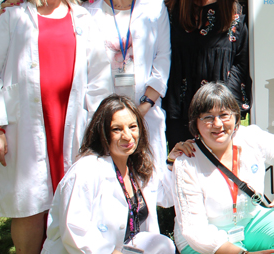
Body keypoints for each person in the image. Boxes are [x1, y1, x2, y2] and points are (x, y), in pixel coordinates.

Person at [0, 0, 112, 254]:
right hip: (24, 125)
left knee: (73, 200)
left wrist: (97, 128)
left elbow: (98, 79)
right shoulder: (14, 18)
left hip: (73, 121)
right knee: (30, 202)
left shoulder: (83, 19)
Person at [42, 95, 196, 254]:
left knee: (163, 245)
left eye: (132, 126)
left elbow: (166, 197)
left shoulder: (137, 165)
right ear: (102, 132)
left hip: (124, 249)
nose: (127, 136)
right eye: (117, 129)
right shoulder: (86, 170)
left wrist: (173, 162)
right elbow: (76, 232)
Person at [173, 82, 274, 254]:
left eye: (224, 115)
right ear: (195, 123)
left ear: (236, 117)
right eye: (207, 117)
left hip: (250, 222)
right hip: (206, 240)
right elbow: (196, 231)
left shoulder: (249, 137)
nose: (217, 124)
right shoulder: (187, 160)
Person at [85, 0, 172, 173]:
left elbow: (163, 58)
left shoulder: (154, 8)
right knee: (105, 183)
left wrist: (142, 108)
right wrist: (102, 114)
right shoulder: (87, 11)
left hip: (144, 114)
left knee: (145, 182)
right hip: (99, 113)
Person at [163, 0, 250, 149]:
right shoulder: (172, 5)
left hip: (222, 118)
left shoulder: (239, 7)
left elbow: (243, 61)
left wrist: (220, 107)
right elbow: (165, 57)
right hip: (181, 114)